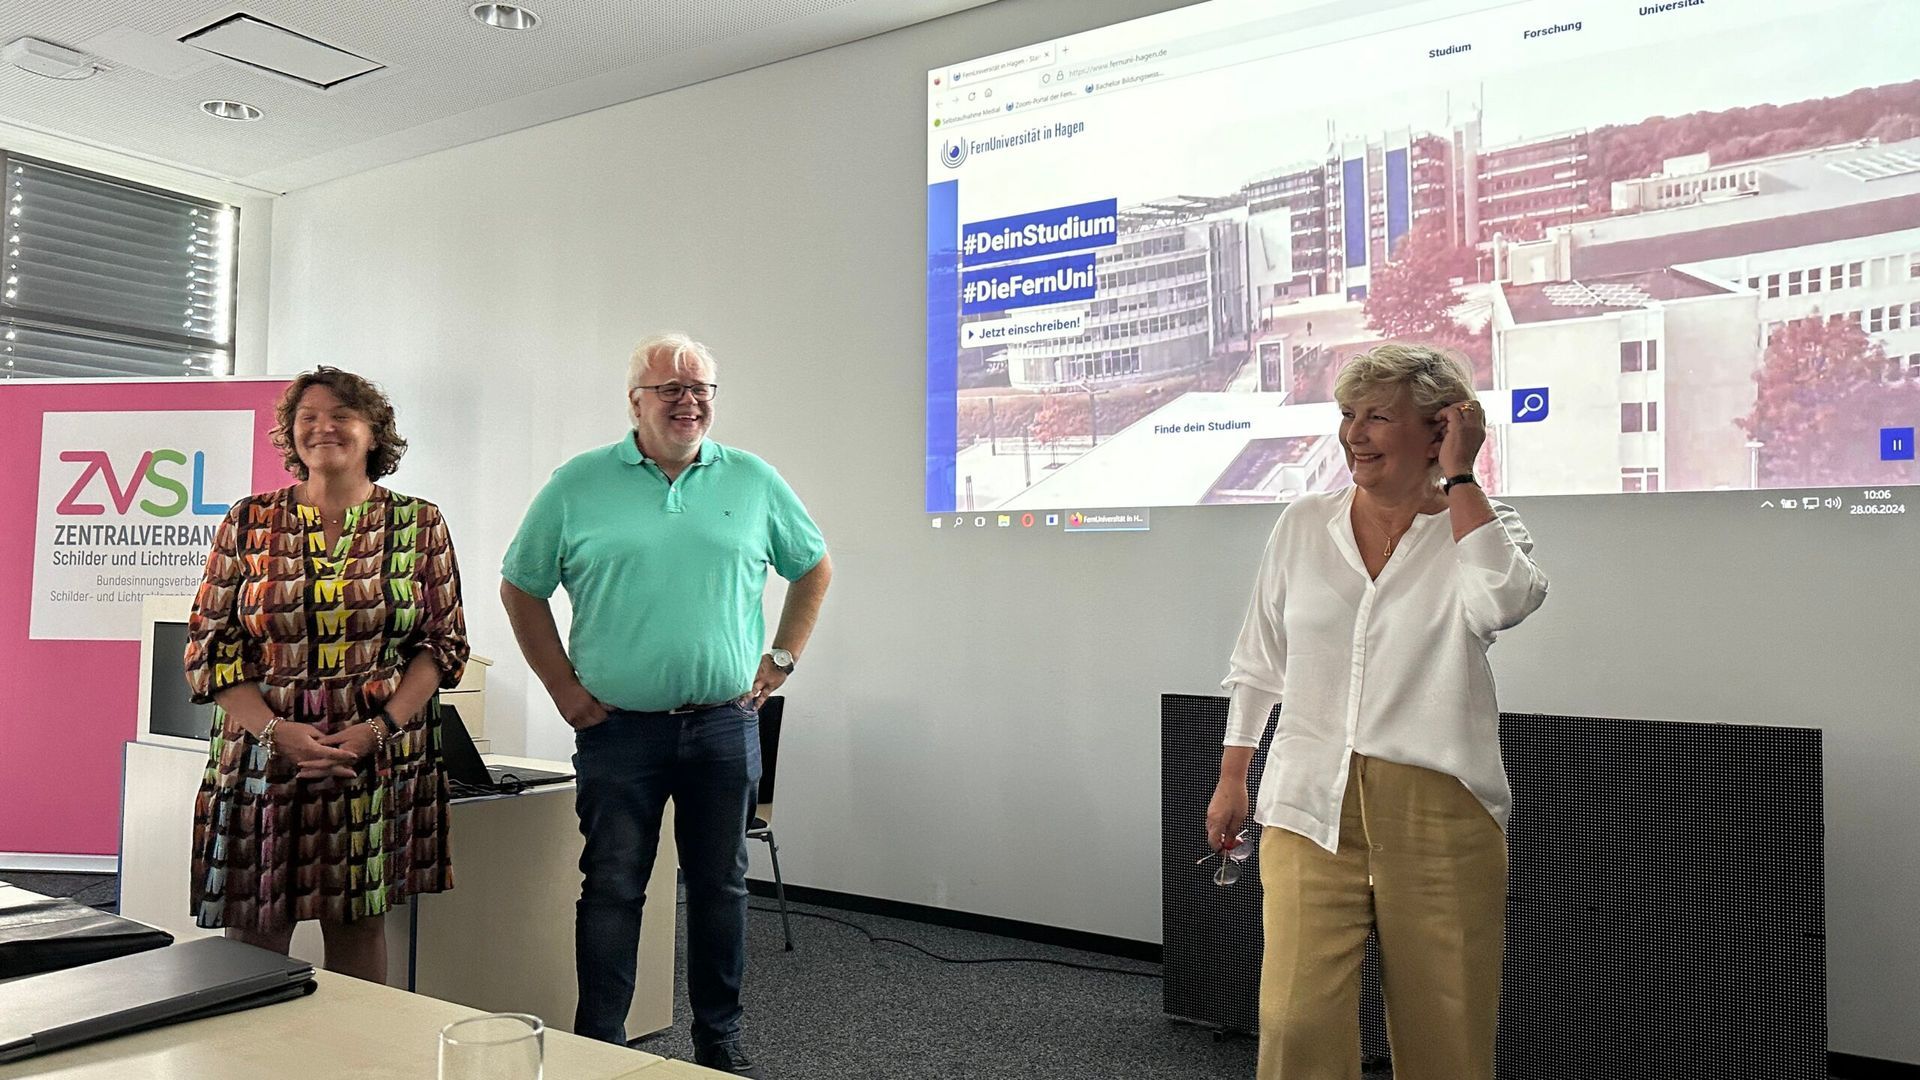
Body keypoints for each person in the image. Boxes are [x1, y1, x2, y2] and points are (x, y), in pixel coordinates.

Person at [1206, 342, 1548, 1080]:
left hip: (1440, 806)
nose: (1354, 434)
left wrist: (1461, 478)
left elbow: (1504, 602)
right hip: (1306, 799)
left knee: (1446, 1027)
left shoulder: (1482, 528)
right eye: (1348, 414)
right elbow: (1260, 658)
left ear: (1439, 430)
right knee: (1294, 1021)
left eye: (1379, 417)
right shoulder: (1304, 523)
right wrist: (1234, 775)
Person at [500, 332, 832, 1077]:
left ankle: (720, 1043)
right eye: (670, 388)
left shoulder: (752, 479)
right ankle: (600, 1046)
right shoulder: (577, 484)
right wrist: (562, 688)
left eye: (701, 388)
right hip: (618, 731)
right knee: (613, 887)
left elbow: (813, 567)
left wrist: (781, 658)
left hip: (724, 725)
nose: (689, 401)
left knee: (720, 887)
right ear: (635, 402)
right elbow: (521, 587)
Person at [184, 367, 469, 983]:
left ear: (374, 432)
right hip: (262, 754)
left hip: (375, 753)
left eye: (341, 415)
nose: (323, 428)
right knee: (256, 923)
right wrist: (275, 733)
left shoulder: (419, 523)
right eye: (307, 417)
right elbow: (211, 645)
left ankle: (356, 1045)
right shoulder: (249, 519)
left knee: (358, 920)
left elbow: (442, 645)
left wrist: (377, 730)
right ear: (290, 433)